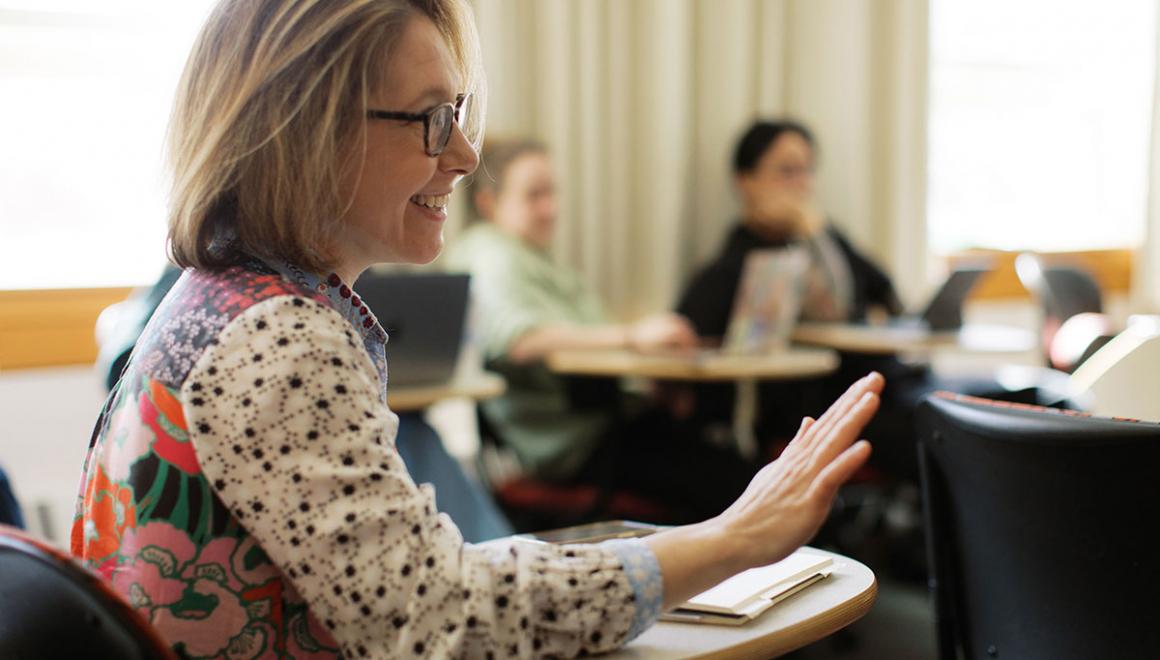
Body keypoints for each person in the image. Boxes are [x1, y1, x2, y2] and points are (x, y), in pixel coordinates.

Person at [72, 3, 883, 657]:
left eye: (456, 115)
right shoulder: (278, 339)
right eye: (431, 119)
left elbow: (407, 590)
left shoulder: (223, 301)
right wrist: (731, 541)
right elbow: (439, 622)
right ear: (308, 128)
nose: (463, 155)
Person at [444, 139, 756, 522]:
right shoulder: (490, 255)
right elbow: (520, 341)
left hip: (605, 427)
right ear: (488, 203)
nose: (551, 208)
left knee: (730, 464)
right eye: (534, 195)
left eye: (552, 193)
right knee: (738, 482)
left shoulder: (534, 260)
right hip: (578, 445)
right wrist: (633, 337)